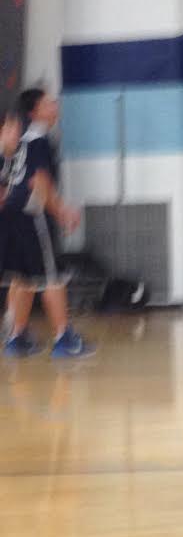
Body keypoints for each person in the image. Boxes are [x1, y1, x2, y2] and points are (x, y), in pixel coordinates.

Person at [0, 100, 94, 358]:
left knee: (21, 278)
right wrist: (62, 211)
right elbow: (39, 183)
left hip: (7, 221)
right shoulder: (37, 140)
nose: (55, 107)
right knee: (52, 277)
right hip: (30, 216)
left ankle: (16, 338)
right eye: (49, 103)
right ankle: (64, 338)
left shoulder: (7, 152)